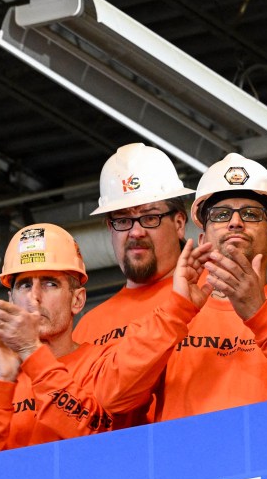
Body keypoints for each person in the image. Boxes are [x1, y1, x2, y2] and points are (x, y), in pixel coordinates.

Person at [0, 224, 210, 458]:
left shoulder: (103, 365)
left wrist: (31, 351)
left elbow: (90, 436)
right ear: (11, 300)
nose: (34, 297)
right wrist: (4, 379)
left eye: (50, 284)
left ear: (77, 300)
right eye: (25, 285)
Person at [104, 152, 267, 421]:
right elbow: (112, 399)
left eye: (251, 213)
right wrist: (177, 311)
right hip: (184, 463)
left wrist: (260, 315)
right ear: (202, 238)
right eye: (220, 214)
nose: (235, 222)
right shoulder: (167, 318)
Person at [72, 143, 195, 349]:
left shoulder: (218, 295)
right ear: (111, 229)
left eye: (149, 217)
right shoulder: (88, 330)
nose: (136, 232)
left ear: (179, 224)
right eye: (122, 220)